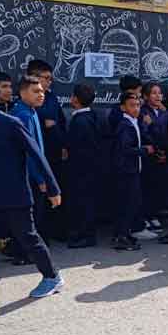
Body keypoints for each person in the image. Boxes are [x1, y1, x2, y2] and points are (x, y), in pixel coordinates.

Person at [0, 77, 64, 321]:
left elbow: (36, 154)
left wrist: (53, 189)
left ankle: (52, 277)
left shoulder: (11, 124)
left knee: (29, 239)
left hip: (14, 196)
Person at [10, 75, 49, 264]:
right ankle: (22, 254)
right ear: (22, 93)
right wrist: (40, 178)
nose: (41, 94)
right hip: (29, 175)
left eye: (42, 91)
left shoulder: (31, 111)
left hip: (34, 173)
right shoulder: (22, 115)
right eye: (35, 91)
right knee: (29, 217)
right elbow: (28, 152)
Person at [28, 60, 67, 241]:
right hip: (36, 155)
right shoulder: (26, 104)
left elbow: (58, 120)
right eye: (46, 78)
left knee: (54, 193)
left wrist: (63, 145)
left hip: (54, 152)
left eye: (51, 79)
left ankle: (54, 231)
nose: (49, 82)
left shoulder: (51, 97)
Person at [113, 93, 155, 251]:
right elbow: (125, 149)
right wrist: (144, 150)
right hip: (126, 172)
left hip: (132, 170)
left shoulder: (133, 122)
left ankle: (125, 232)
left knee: (131, 203)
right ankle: (121, 236)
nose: (136, 108)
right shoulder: (125, 125)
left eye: (138, 105)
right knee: (127, 204)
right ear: (123, 107)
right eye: (132, 105)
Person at [66, 83, 100, 249]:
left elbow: (79, 147)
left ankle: (85, 235)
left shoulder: (80, 121)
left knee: (83, 203)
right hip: (90, 168)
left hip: (82, 169)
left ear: (76, 99)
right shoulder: (91, 116)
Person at [140, 82, 168, 232]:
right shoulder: (143, 112)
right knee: (148, 186)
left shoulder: (165, 112)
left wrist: (165, 150)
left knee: (159, 187)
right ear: (146, 96)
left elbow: (167, 132)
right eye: (154, 93)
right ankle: (147, 216)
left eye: (159, 93)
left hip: (163, 154)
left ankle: (155, 214)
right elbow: (145, 133)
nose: (158, 96)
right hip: (150, 155)